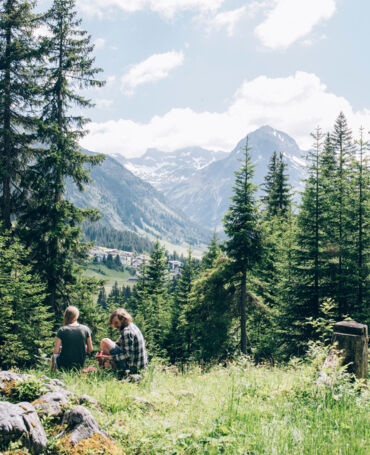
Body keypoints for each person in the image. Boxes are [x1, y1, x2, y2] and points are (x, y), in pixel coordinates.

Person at [99, 308, 148, 374]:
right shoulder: (131, 326)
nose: (115, 326)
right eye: (114, 324)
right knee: (106, 344)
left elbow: (128, 354)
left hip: (132, 368)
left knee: (104, 342)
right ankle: (108, 368)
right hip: (140, 367)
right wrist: (104, 354)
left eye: (116, 323)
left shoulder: (127, 332)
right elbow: (118, 344)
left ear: (123, 320)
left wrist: (109, 357)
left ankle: (110, 370)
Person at [52, 306, 93, 370]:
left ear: (65, 316)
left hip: (64, 366)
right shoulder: (86, 329)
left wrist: (62, 348)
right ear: (77, 316)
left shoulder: (62, 330)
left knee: (53, 356)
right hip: (79, 366)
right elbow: (90, 350)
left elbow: (56, 351)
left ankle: (53, 374)